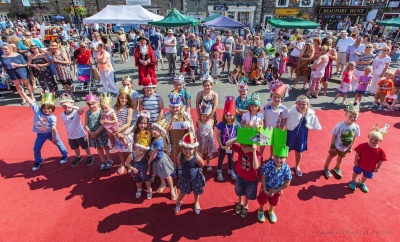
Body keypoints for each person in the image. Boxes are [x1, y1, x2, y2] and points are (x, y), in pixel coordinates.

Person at [19, 88, 68, 171]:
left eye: (49, 108)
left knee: (59, 144)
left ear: (52, 109)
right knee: (36, 148)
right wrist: (23, 93)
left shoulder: (52, 117)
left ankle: (65, 154)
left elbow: (53, 128)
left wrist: (54, 138)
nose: (46, 110)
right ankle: (38, 160)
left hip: (51, 133)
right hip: (41, 134)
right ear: (42, 107)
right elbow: (31, 102)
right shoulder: (37, 110)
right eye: (44, 108)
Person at [225, 137, 260, 219]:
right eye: (242, 145)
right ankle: (240, 202)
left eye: (245, 146)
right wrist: (237, 138)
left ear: (252, 147)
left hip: (251, 179)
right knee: (239, 190)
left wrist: (254, 151)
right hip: (240, 176)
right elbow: (227, 144)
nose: (243, 148)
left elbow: (256, 167)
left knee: (248, 193)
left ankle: (245, 205)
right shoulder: (240, 149)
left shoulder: (257, 154)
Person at [286, 95, 321, 177]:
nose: (301, 106)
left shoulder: (310, 113)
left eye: (303, 104)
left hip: (302, 135)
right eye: (299, 103)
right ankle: (282, 164)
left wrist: (313, 126)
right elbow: (283, 118)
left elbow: (314, 122)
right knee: (286, 149)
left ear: (307, 105)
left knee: (299, 151)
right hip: (291, 133)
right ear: (296, 103)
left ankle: (297, 166)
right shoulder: (291, 111)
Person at [256, 145, 292, 223]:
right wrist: (265, 189)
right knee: (262, 200)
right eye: (276, 156)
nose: (278, 159)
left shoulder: (287, 168)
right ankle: (261, 209)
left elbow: (287, 183)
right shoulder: (269, 165)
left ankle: (271, 210)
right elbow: (263, 176)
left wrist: (276, 190)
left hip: (277, 190)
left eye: (281, 157)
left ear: (286, 158)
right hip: (266, 188)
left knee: (274, 201)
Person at [323, 105, 360, 178]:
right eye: (350, 116)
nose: (352, 118)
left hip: (345, 148)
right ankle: (326, 167)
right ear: (346, 115)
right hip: (336, 146)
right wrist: (332, 146)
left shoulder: (356, 127)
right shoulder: (340, 125)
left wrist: (350, 147)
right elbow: (334, 135)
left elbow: (354, 137)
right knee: (330, 156)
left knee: (340, 158)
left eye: (355, 117)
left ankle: (337, 167)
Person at [164, 91, 194, 177]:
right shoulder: (167, 115)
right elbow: (162, 127)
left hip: (182, 137)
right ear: (169, 106)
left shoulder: (185, 115)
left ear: (180, 105)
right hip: (172, 138)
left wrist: (187, 127)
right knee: (173, 153)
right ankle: (173, 167)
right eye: (172, 107)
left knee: (182, 153)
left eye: (176, 107)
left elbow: (191, 127)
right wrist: (167, 128)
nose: (175, 109)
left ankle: (180, 167)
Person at [174, 132, 205, 214]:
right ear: (182, 148)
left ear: (194, 149)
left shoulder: (197, 157)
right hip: (185, 178)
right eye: (185, 149)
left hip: (196, 178)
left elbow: (202, 164)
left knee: (196, 192)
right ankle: (178, 202)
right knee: (182, 192)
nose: (187, 151)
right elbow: (178, 162)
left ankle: (196, 202)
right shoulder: (180, 156)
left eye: (190, 149)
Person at [348, 128, 387, 193]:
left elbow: (381, 159)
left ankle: (361, 183)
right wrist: (355, 160)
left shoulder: (380, 151)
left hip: (370, 167)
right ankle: (353, 181)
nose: (373, 141)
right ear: (368, 137)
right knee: (356, 172)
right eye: (371, 139)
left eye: (376, 140)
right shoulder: (363, 145)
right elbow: (357, 153)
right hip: (360, 163)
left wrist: (378, 167)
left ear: (380, 141)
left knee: (366, 175)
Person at [59, 94, 94, 167]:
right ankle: (78, 157)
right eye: (63, 105)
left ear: (72, 103)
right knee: (75, 147)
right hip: (70, 135)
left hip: (80, 134)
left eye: (67, 104)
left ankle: (89, 156)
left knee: (85, 146)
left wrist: (70, 106)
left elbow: (81, 109)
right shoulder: (62, 115)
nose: (65, 106)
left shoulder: (75, 111)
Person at [149, 119, 178, 200]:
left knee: (167, 175)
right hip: (157, 161)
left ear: (161, 132)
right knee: (161, 173)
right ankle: (163, 183)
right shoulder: (154, 138)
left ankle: (172, 188)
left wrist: (148, 162)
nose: (154, 131)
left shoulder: (159, 142)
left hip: (161, 161)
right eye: (153, 129)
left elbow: (153, 155)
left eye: (156, 130)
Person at [261, 84, 288, 164]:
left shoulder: (284, 108)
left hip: (276, 130)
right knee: (263, 143)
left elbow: (284, 120)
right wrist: (264, 127)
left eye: (279, 97)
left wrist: (280, 128)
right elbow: (263, 118)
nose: (276, 99)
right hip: (266, 129)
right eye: (274, 97)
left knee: (273, 144)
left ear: (281, 98)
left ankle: (271, 156)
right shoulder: (266, 107)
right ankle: (260, 156)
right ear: (271, 97)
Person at [84, 93, 112, 171]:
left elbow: (103, 124)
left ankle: (109, 160)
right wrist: (89, 132)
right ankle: (103, 161)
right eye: (89, 104)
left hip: (102, 133)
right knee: (99, 148)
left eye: (93, 104)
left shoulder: (101, 111)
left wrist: (96, 132)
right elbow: (86, 124)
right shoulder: (87, 112)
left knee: (106, 147)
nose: (91, 106)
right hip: (92, 134)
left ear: (97, 102)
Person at [216, 96, 238, 181]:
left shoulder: (236, 125)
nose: (229, 117)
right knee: (221, 157)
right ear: (224, 115)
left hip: (232, 146)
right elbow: (218, 135)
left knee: (231, 158)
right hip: (223, 146)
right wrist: (221, 145)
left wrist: (233, 143)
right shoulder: (221, 124)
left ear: (233, 115)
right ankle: (219, 170)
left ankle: (230, 169)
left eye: (231, 115)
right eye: (227, 115)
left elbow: (238, 135)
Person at [126, 131, 153, 199]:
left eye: (144, 151)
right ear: (136, 148)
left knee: (147, 181)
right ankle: (139, 189)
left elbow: (149, 163)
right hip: (136, 172)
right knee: (138, 181)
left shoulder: (145, 156)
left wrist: (149, 169)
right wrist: (131, 168)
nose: (142, 152)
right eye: (140, 150)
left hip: (145, 171)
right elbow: (127, 163)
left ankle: (149, 190)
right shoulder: (132, 156)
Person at [196, 101, 217, 173]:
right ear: (200, 115)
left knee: (208, 152)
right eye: (203, 116)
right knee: (200, 152)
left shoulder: (211, 121)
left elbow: (211, 129)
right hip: (201, 140)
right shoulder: (198, 122)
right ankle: (200, 164)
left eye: (207, 116)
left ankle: (208, 163)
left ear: (210, 115)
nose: (205, 118)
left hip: (208, 140)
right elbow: (198, 129)